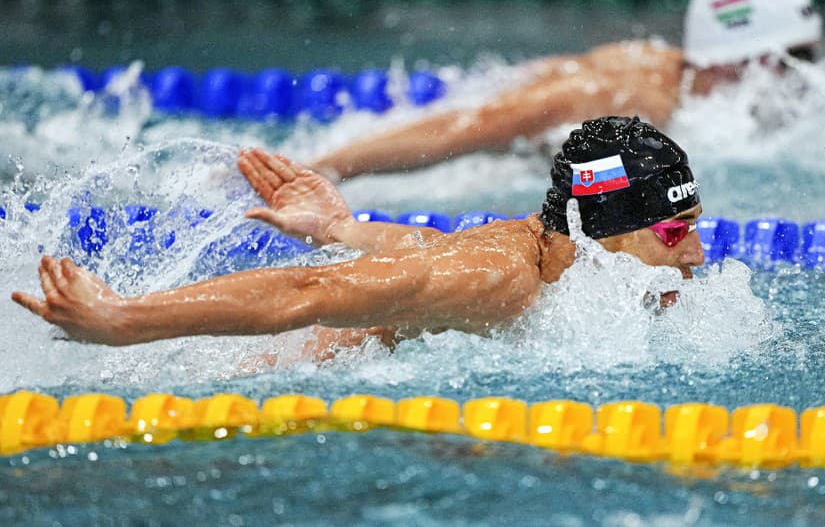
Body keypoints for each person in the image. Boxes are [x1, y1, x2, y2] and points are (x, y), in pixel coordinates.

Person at [12, 117, 704, 357]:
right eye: (675, 232)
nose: (696, 254)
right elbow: (310, 291)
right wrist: (124, 320)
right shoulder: (502, 280)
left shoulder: (544, 249)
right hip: (267, 375)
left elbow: (428, 254)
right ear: (599, 232)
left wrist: (343, 228)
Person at [304, 0, 821, 180]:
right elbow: (465, 127)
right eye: (795, 58)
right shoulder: (624, 98)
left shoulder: (672, 72)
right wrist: (325, 169)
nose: (805, 74)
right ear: (737, 59)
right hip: (504, 136)